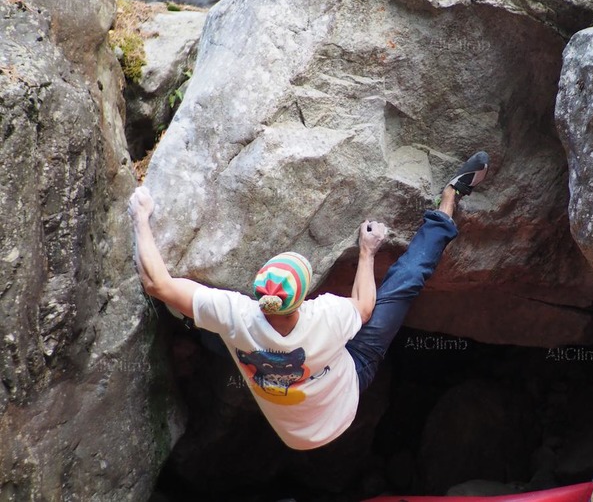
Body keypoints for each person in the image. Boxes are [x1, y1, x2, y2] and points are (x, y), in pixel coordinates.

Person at [128, 151, 489, 450]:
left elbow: (156, 284)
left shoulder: (234, 316)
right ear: (304, 300)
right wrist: (367, 252)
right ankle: (449, 199)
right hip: (346, 394)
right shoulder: (325, 317)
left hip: (293, 434)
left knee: (215, 332)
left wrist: (141, 218)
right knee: (404, 284)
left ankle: (193, 326)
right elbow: (364, 308)